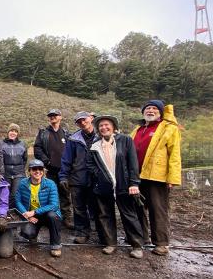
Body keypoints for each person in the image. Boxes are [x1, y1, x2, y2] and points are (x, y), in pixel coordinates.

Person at [87, 115, 144, 259]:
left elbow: (133, 163)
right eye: (100, 126)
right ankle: (110, 243)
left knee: (129, 214)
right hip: (104, 186)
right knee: (105, 215)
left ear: (113, 126)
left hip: (124, 184)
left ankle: (136, 245)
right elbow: (90, 164)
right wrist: (99, 175)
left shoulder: (125, 140)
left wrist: (134, 183)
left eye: (107, 125)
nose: (104, 128)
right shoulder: (95, 145)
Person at [131, 100, 181, 256]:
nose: (150, 111)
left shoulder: (169, 128)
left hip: (157, 177)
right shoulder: (138, 129)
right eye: (147, 108)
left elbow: (175, 154)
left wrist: (172, 178)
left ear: (160, 112)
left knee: (157, 209)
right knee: (137, 208)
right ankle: (142, 238)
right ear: (143, 112)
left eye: (154, 109)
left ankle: (161, 243)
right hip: (137, 176)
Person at [59, 111, 97, 244]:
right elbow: (66, 159)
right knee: (79, 207)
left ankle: (101, 231)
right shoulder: (73, 139)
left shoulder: (101, 135)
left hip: (97, 178)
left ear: (91, 118)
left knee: (98, 206)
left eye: (84, 119)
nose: (82, 122)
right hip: (77, 178)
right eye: (79, 121)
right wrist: (63, 176)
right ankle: (82, 232)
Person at [33, 109, 72, 228]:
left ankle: (67, 219)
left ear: (60, 117)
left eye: (55, 115)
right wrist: (46, 161)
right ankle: (50, 218)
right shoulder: (43, 132)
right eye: (50, 116)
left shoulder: (65, 132)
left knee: (65, 194)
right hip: (49, 170)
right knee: (48, 194)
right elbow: (37, 148)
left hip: (64, 170)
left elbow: (71, 149)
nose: (52, 117)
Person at [15, 159, 62, 257]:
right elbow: (18, 201)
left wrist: (34, 212)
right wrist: (27, 214)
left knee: (52, 216)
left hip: (46, 214)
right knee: (28, 233)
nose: (37, 171)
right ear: (29, 171)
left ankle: (56, 245)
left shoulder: (50, 184)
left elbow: (54, 205)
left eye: (40, 169)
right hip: (31, 215)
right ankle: (33, 235)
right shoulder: (23, 183)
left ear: (43, 171)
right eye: (34, 169)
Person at [1, 123, 28, 208]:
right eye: (11, 131)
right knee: (5, 194)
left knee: (15, 194)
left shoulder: (22, 144)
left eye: (15, 131)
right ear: (8, 132)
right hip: (6, 173)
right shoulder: (1, 143)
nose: (13, 133)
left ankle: (14, 211)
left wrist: (20, 170)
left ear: (18, 133)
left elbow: (25, 159)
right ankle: (5, 212)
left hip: (19, 174)